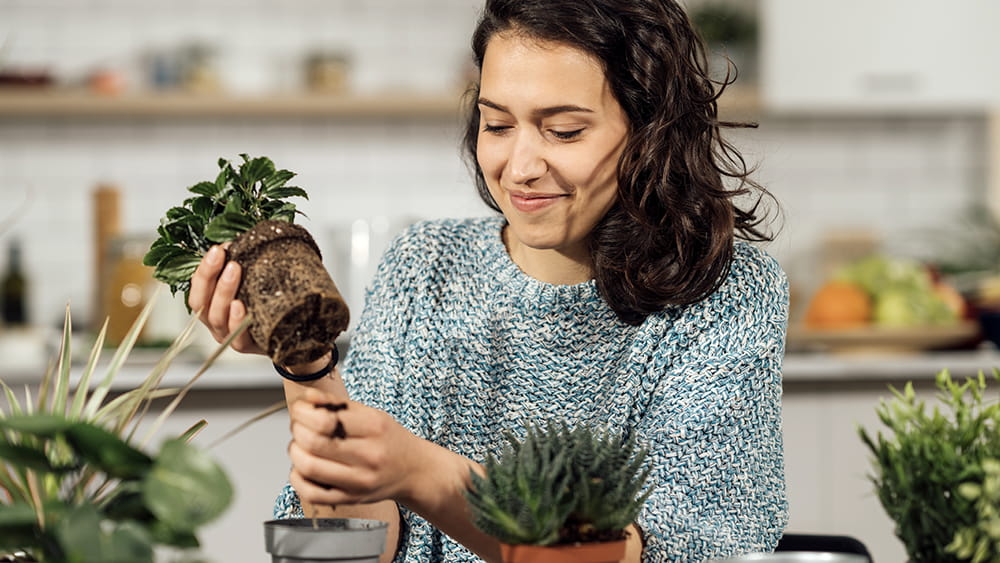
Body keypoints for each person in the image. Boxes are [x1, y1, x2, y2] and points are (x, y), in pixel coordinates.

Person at [189, 0, 789, 561]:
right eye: (498, 126)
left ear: (651, 132)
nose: (520, 169)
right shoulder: (425, 265)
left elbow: (685, 549)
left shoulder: (727, 293)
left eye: (564, 131)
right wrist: (305, 360)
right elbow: (354, 545)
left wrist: (424, 474)